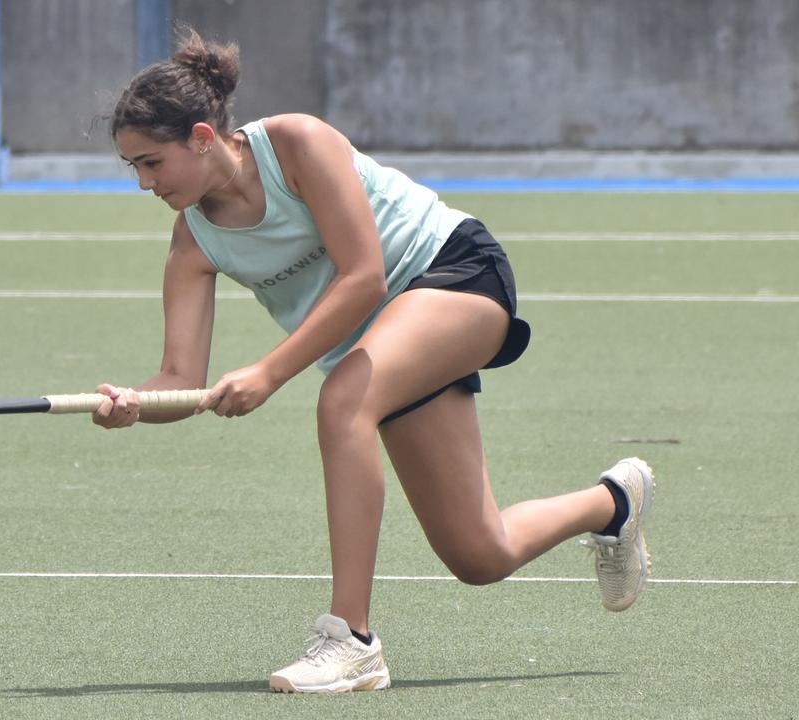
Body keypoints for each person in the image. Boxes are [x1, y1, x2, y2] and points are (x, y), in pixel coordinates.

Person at [92, 28, 655, 694]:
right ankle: (612, 504)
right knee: (480, 554)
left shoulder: (298, 144)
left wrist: (270, 372)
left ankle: (351, 639)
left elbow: (364, 275)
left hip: (453, 275)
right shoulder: (192, 242)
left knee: (342, 401)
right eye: (134, 167)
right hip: (377, 344)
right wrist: (136, 404)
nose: (143, 183)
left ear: (203, 138)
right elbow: (180, 380)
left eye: (152, 163)